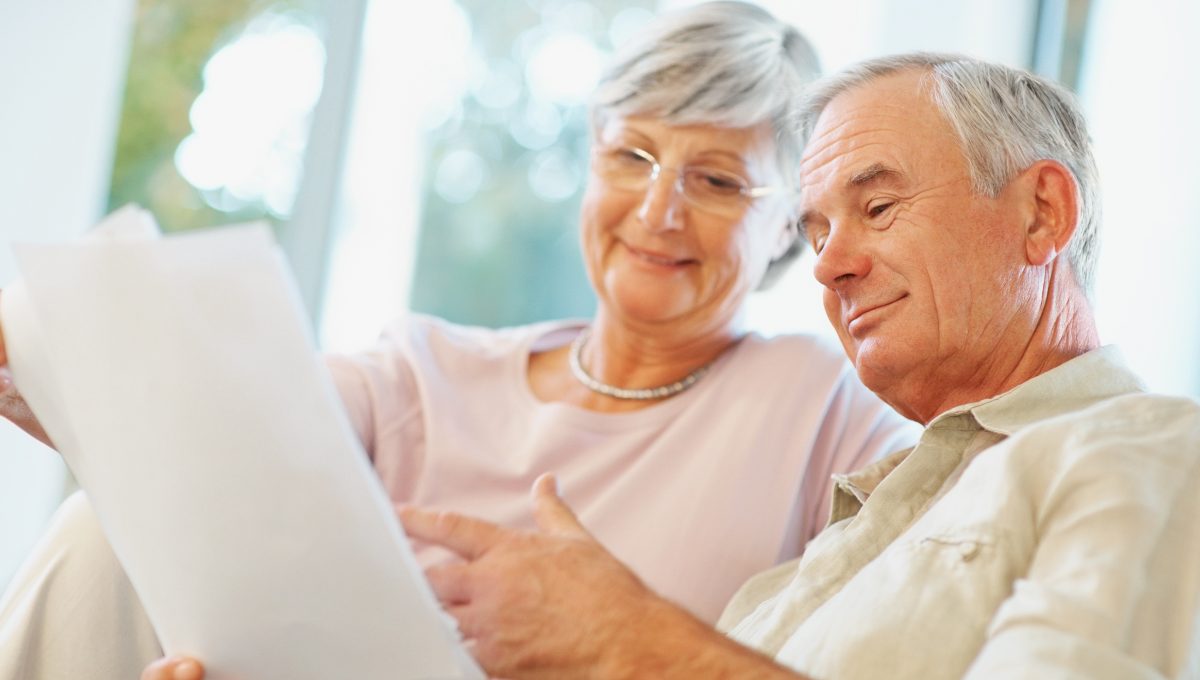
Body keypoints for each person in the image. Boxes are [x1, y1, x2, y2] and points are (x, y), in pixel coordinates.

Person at [142, 53, 1200, 679]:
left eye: (875, 207)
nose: (828, 261)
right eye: (817, 225)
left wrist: (634, 641)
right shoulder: (846, 534)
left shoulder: (1143, 452)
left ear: (1041, 212)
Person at [0, 4, 918, 679]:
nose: (657, 210)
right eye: (629, 157)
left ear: (791, 230)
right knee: (97, 537)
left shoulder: (828, 410)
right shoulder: (423, 374)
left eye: (717, 180)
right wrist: (64, 367)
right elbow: (216, 429)